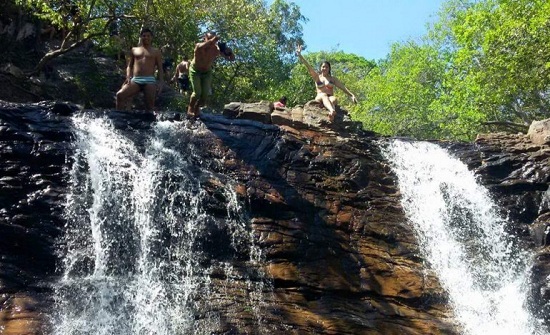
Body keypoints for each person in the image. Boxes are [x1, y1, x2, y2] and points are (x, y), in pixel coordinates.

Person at [296, 44, 357, 122]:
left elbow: (343, 87)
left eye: (326, 67)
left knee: (334, 99)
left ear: (329, 69)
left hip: (330, 97)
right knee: (324, 95)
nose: (324, 68)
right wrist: (300, 55)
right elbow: (309, 67)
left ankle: (331, 115)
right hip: (319, 97)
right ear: (321, 68)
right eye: (323, 67)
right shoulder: (317, 77)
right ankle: (332, 110)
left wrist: (351, 95)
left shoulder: (332, 79)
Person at [187, 31, 235, 118]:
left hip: (207, 72)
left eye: (213, 39)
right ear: (204, 38)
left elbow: (231, 59)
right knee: (197, 93)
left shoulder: (216, 49)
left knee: (205, 94)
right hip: (195, 71)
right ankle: (190, 108)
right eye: (209, 39)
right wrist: (214, 39)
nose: (212, 41)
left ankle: (197, 108)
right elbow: (205, 45)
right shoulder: (199, 46)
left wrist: (230, 52)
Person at [115, 28, 164, 111]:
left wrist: (161, 83)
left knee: (150, 106)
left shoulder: (156, 52)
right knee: (120, 95)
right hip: (136, 80)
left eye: (148, 36)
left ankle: (149, 122)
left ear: (151, 37)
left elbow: (160, 68)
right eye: (144, 36)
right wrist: (128, 77)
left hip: (150, 80)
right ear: (141, 37)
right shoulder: (134, 50)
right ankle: (119, 118)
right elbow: (129, 66)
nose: (146, 38)